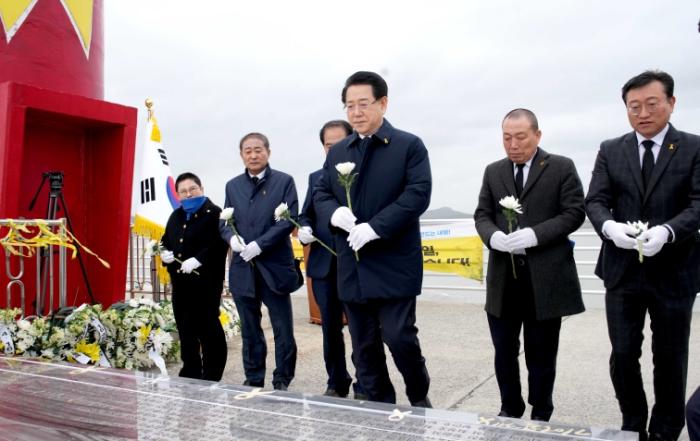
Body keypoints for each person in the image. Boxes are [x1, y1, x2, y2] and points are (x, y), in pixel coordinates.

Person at [585, 70, 700, 441]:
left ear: (671, 102)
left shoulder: (694, 147)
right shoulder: (610, 149)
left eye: (652, 104)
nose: (643, 113)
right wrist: (609, 227)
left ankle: (665, 430)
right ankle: (632, 424)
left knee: (670, 357)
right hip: (622, 270)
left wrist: (668, 231)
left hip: (675, 271)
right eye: (634, 106)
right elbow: (595, 200)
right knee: (622, 354)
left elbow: (698, 203)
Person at [314, 71, 432, 407]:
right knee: (363, 346)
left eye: (363, 104)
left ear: (383, 103)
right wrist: (334, 213)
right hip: (352, 263)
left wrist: (376, 227)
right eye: (349, 106)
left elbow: (418, 193)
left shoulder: (408, 145)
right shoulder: (339, 152)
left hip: (394, 260)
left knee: (399, 337)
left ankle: (418, 395)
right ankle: (381, 407)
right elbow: (321, 191)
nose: (356, 112)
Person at [474, 109, 586, 421]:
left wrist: (536, 235)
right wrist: (492, 236)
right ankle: (510, 406)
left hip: (545, 278)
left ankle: (541, 409)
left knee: (541, 351)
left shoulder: (561, 167)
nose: (513, 145)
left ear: (537, 135)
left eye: (521, 137)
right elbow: (482, 214)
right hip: (503, 278)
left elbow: (574, 212)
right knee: (503, 350)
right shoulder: (493, 171)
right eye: (507, 138)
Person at [219, 132, 301, 391]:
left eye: (258, 150)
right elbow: (225, 221)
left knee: (283, 329)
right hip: (243, 268)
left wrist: (260, 244)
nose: (253, 155)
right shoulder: (232, 186)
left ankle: (282, 379)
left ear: (268, 152)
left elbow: (289, 219)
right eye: (248, 151)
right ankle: (253, 377)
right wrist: (231, 238)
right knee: (250, 329)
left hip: (274, 267)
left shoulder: (284, 181)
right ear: (241, 155)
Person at [298, 119, 364, 398]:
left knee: (361, 328)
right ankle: (336, 382)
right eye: (328, 145)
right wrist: (304, 230)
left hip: (358, 265)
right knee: (330, 329)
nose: (333, 149)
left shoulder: (363, 173)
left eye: (340, 143)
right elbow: (306, 213)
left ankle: (365, 383)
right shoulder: (315, 177)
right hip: (324, 267)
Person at [160, 172, 228, 381]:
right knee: (185, 328)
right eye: (183, 191)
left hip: (206, 282)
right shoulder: (176, 215)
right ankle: (190, 370)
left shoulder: (215, 213)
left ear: (201, 189)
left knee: (207, 327)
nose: (188, 194)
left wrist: (199, 259)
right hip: (181, 283)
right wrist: (164, 254)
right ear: (178, 195)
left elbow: (220, 243)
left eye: (192, 189)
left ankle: (212, 373)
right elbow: (165, 241)